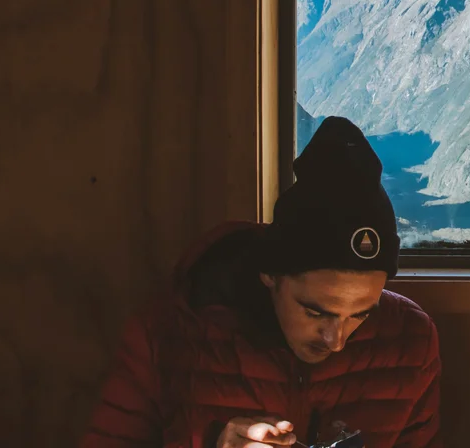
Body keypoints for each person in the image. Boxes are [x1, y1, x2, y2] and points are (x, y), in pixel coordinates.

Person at [80, 117, 441, 448]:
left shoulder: (410, 342)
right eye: (316, 313)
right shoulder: (168, 331)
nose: (336, 341)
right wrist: (212, 443)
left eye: (361, 315)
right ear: (270, 273)